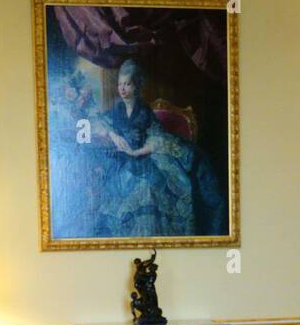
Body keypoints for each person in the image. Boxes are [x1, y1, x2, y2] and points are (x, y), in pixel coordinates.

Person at [94, 58, 226, 238]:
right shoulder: (117, 109)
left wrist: (135, 152)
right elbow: (101, 122)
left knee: (149, 188)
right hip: (122, 160)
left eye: (128, 84)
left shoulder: (144, 111)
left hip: (144, 157)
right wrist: (113, 135)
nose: (123, 89)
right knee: (113, 189)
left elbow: (156, 139)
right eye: (120, 84)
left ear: (137, 86)